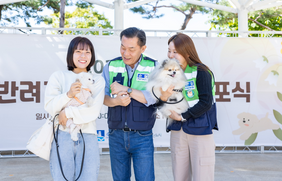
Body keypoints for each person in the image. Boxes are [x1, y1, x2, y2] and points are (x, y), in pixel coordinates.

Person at [44, 36, 105, 181]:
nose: (83, 56)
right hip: (63, 136)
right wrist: (68, 95)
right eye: (78, 51)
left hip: (88, 137)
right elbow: (50, 106)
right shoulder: (58, 76)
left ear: (92, 55)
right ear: (71, 54)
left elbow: (93, 111)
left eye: (87, 52)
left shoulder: (96, 80)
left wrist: (67, 112)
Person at [160, 33, 218, 181]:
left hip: (200, 130)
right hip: (178, 131)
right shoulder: (170, 73)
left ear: (187, 52)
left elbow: (206, 102)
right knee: (180, 175)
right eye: (169, 51)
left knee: (202, 175)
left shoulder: (202, 71)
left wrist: (182, 116)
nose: (171, 55)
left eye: (175, 52)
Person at [102, 27, 157, 181]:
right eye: (123, 47)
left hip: (142, 136)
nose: (126, 53)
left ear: (143, 48)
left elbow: (153, 97)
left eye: (131, 49)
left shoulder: (153, 66)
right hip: (116, 135)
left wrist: (127, 90)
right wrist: (115, 101)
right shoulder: (111, 66)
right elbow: (103, 97)